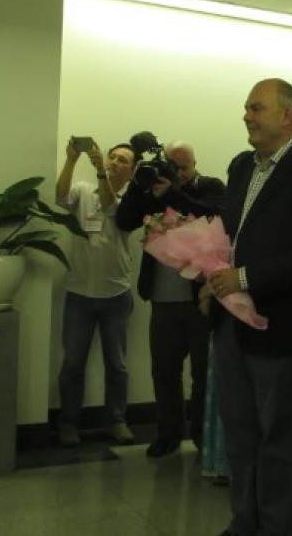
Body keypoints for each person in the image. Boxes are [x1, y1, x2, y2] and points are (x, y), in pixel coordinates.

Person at [208, 78, 292, 536]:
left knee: (277, 438)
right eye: (246, 107)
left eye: (256, 108)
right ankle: (244, 520)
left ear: (288, 117)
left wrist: (241, 277)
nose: (247, 115)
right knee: (239, 433)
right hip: (230, 324)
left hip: (278, 327)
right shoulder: (242, 167)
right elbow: (231, 233)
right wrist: (199, 258)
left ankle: (276, 525)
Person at [114, 141, 225, 458]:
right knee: (163, 371)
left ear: (194, 164)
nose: (178, 174)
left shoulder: (210, 186)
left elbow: (215, 216)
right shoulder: (153, 190)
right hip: (162, 299)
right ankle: (168, 434)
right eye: (172, 167)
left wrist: (173, 193)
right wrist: (139, 186)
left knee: (203, 374)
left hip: (201, 300)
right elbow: (124, 221)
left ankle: (203, 438)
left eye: (184, 167)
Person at [55, 139, 137, 447]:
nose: (114, 162)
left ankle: (117, 420)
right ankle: (68, 424)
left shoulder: (134, 198)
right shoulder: (82, 190)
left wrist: (101, 175)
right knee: (72, 363)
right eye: (111, 157)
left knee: (116, 364)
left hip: (116, 294)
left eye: (122, 160)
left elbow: (111, 207)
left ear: (132, 170)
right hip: (79, 294)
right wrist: (71, 160)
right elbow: (60, 197)